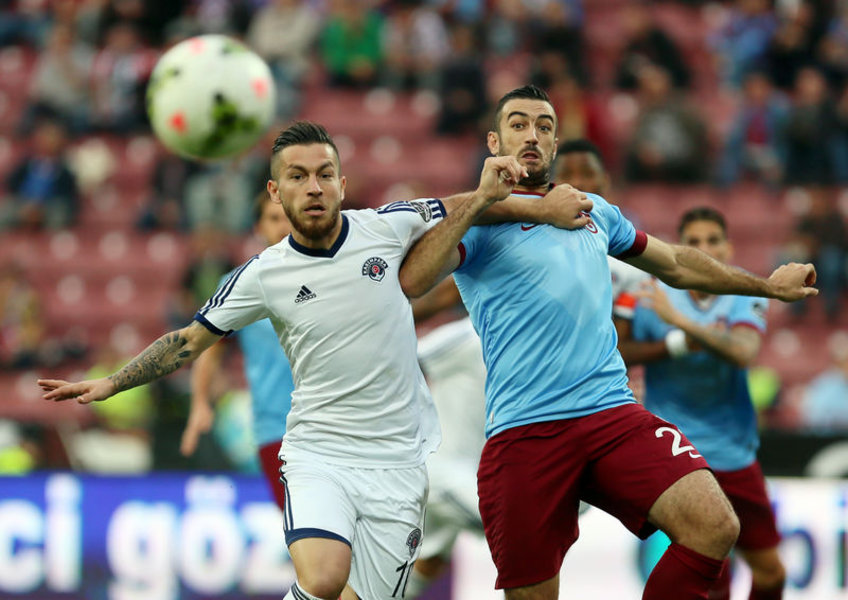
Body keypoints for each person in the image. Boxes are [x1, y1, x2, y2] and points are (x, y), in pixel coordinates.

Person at [39, 120, 591, 600]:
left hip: (400, 460)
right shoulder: (263, 274)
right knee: (324, 578)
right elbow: (188, 341)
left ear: (342, 185)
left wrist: (544, 208)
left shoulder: (387, 226)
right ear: (276, 191)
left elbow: (469, 206)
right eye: (298, 176)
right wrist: (113, 383)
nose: (313, 186)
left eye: (325, 174)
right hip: (319, 451)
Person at [398, 84, 817, 600]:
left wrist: (766, 286)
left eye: (544, 127)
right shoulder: (479, 223)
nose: (532, 136)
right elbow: (413, 279)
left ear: (555, 144)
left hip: (609, 415)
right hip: (525, 433)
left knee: (714, 525)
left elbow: (676, 263)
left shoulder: (593, 211)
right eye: (518, 124)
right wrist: (483, 198)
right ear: (494, 141)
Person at [622, 206, 787, 600]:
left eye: (713, 240)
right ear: (680, 249)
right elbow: (621, 351)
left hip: (733, 452)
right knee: (713, 579)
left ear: (728, 248)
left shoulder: (744, 290)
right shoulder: (651, 291)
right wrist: (677, 344)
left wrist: (683, 325)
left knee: (771, 574)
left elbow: (743, 352)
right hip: (678, 456)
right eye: (693, 242)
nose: (705, 248)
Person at [180, 192, 294, 515]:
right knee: (302, 529)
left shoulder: (332, 276)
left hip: (334, 425)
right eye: (273, 219)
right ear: (258, 227)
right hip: (277, 429)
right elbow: (210, 348)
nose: (283, 227)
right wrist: (200, 403)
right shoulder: (238, 285)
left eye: (289, 217)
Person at [405, 275, 487, 598]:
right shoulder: (468, 336)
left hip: (474, 471)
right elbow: (401, 357)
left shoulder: (531, 348)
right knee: (518, 525)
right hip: (442, 473)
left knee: (428, 562)